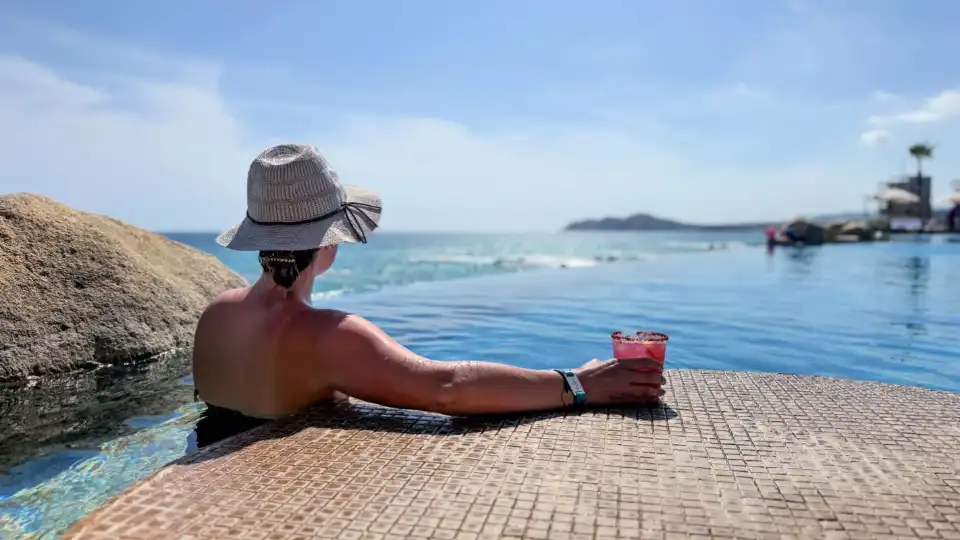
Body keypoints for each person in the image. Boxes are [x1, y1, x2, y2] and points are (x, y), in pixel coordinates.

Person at [192, 144, 665, 445]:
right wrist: (577, 384)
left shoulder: (216, 314)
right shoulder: (331, 336)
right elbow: (447, 388)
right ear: (331, 242)